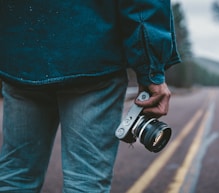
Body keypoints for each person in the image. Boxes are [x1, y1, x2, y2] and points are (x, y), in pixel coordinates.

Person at [0, 0, 180, 192]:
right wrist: (151, 71)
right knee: (85, 181)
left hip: (21, 58)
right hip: (93, 55)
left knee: (17, 175)